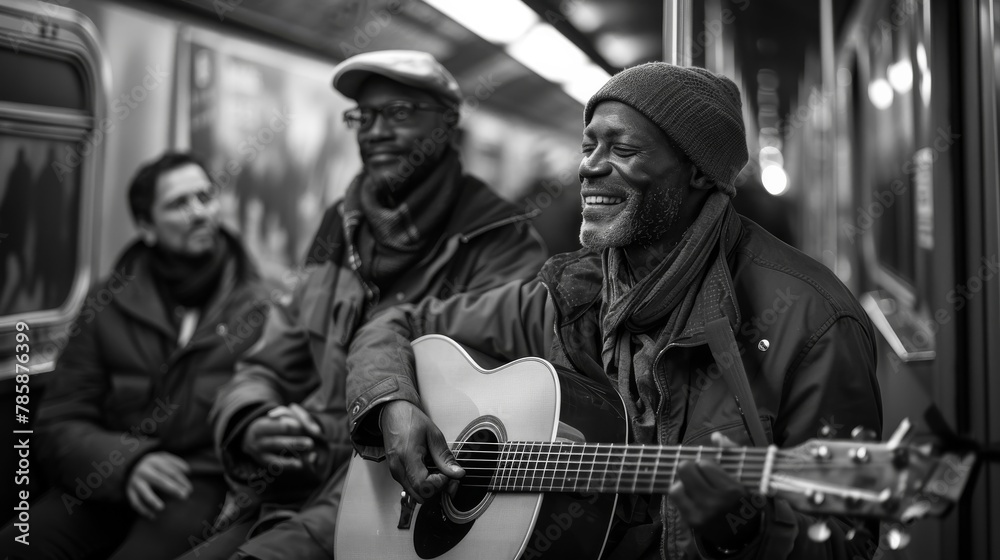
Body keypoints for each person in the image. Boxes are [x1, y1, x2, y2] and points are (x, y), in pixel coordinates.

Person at [344, 63, 884, 559]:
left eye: (622, 150)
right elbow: (397, 323)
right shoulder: (571, 292)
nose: (589, 168)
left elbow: (848, 543)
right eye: (587, 147)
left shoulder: (812, 321)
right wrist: (392, 401)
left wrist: (745, 528)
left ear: (698, 173)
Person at [190, 50, 547, 559]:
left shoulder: (499, 243)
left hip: (388, 506)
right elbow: (273, 358)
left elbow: (479, 425)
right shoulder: (341, 226)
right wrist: (252, 418)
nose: (375, 131)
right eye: (363, 115)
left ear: (447, 124)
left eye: (399, 113)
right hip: (286, 489)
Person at [0, 152, 270, 560]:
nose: (200, 213)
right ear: (147, 227)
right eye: (179, 204)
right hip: (105, 473)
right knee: (19, 544)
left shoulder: (259, 307)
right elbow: (59, 420)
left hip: (201, 483)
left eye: (205, 196)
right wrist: (127, 463)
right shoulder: (108, 303)